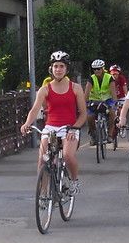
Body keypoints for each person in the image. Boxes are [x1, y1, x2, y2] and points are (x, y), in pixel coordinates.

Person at [20, 51, 89, 195]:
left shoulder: (75, 88)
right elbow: (35, 109)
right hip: (51, 127)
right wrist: (27, 123)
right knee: (42, 158)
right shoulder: (45, 89)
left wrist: (74, 128)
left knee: (67, 156)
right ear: (51, 69)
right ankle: (43, 194)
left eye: (61, 66)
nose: (58, 69)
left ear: (66, 69)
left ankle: (74, 181)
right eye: (55, 66)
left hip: (69, 127)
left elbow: (83, 113)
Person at [84, 58, 114, 146]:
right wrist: (84, 103)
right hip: (94, 101)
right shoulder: (91, 79)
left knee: (112, 112)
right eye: (95, 69)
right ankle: (93, 135)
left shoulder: (109, 77)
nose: (97, 71)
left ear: (102, 68)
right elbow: (86, 93)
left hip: (107, 100)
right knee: (90, 117)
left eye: (99, 69)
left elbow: (113, 92)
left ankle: (110, 134)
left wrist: (114, 103)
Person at [107, 65, 129, 140]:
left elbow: (125, 89)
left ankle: (123, 126)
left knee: (121, 111)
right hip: (112, 98)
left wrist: (127, 98)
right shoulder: (108, 79)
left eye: (116, 74)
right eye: (113, 74)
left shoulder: (122, 79)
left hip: (121, 97)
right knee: (111, 112)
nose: (115, 76)